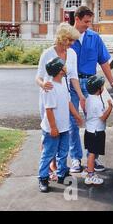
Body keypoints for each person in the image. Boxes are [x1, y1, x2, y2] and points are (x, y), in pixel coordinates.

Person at [69, 6, 113, 174]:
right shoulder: (68, 37)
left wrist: (112, 81)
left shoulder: (95, 38)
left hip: (92, 85)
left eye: (90, 22)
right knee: (72, 122)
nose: (89, 25)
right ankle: (76, 159)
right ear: (76, 19)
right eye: (86, 22)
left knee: (96, 121)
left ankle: (93, 158)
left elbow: (104, 62)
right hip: (72, 84)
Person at [36, 23, 84, 180]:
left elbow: (74, 77)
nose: (71, 44)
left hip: (65, 95)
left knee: (65, 129)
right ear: (62, 38)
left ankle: (60, 168)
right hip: (49, 94)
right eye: (69, 40)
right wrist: (43, 84)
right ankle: (49, 168)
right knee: (49, 133)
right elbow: (39, 76)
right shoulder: (48, 53)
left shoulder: (72, 54)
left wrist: (80, 95)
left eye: (72, 41)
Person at [38, 57, 83, 193]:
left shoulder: (63, 83)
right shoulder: (50, 88)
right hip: (53, 128)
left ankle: (62, 173)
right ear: (59, 70)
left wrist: (76, 115)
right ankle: (43, 178)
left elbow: (68, 102)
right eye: (64, 66)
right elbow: (49, 109)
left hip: (64, 127)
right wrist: (53, 127)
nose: (66, 67)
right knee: (48, 153)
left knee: (63, 152)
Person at [83, 75, 112, 185]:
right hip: (96, 131)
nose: (103, 87)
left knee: (91, 152)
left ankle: (89, 170)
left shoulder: (89, 99)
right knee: (92, 153)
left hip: (89, 130)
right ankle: (90, 175)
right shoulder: (97, 102)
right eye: (102, 85)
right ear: (98, 89)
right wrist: (110, 107)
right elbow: (103, 118)